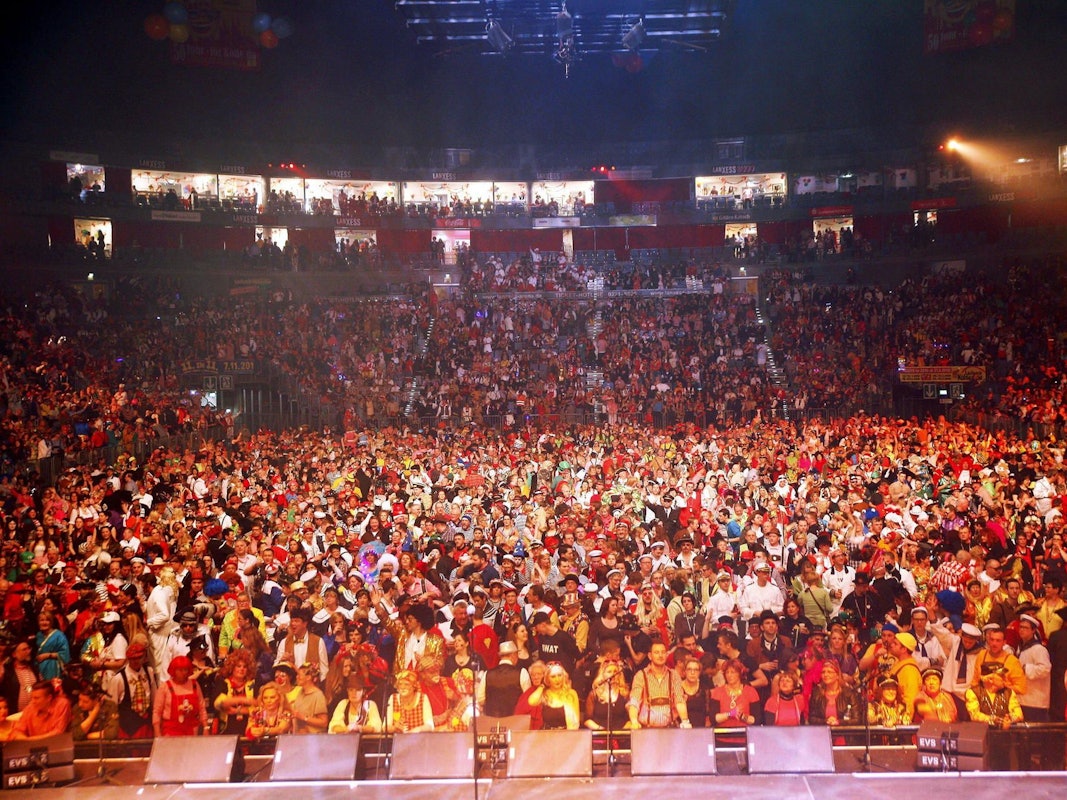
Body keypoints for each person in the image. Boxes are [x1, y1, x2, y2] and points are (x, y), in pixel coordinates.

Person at [628, 639, 692, 729]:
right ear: (650, 656)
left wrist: (685, 721)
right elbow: (634, 702)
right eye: (657, 652)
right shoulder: (641, 675)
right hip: (647, 729)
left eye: (663, 652)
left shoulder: (674, 675)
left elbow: (680, 701)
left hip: (670, 729)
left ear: (666, 655)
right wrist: (634, 721)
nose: (660, 655)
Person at [110, 640, 155, 739]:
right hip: (128, 728)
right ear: (128, 659)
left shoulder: (149, 672)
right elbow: (112, 705)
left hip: (147, 725)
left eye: (139, 658)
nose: (136, 661)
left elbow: (154, 698)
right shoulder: (118, 678)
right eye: (132, 658)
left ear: (144, 657)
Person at [154, 654, 207, 736]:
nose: (184, 673)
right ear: (173, 670)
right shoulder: (165, 687)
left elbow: (202, 708)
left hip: (192, 731)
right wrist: (157, 733)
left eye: (185, 670)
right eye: (180, 670)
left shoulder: (195, 685)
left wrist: (206, 727)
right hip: (171, 732)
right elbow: (157, 712)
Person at [1015, 612, 1052, 721]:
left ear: (1033, 630)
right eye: (1021, 627)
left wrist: (1025, 668)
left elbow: (1045, 669)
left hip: (1036, 700)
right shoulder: (1020, 647)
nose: (1022, 630)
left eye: (1025, 628)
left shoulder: (1039, 649)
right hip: (1022, 698)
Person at [966, 662, 1023, 731]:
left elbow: (1018, 714)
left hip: (1004, 734)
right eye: (1002, 676)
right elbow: (975, 715)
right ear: (990, 680)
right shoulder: (973, 693)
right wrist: (995, 720)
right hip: (980, 733)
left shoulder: (1009, 693)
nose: (1005, 679)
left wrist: (1010, 719)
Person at [480, 641, 530, 717]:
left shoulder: (487, 673)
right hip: (516, 720)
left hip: (493, 720)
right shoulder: (522, 672)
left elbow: (480, 699)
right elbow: (527, 699)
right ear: (513, 655)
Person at [213, 649, 257, 736]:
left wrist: (237, 710)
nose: (242, 669)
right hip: (226, 730)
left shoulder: (253, 684)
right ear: (232, 667)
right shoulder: (223, 683)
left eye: (245, 667)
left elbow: (258, 705)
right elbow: (219, 703)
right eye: (238, 666)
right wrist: (243, 700)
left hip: (249, 730)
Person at [526, 661, 580, 730]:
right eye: (553, 677)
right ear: (547, 679)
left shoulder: (571, 693)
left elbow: (576, 722)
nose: (557, 679)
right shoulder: (545, 693)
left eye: (559, 675)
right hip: (547, 733)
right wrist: (542, 685)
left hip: (566, 733)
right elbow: (531, 702)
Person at [584, 651, 629, 730]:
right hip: (600, 733)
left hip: (621, 733)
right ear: (603, 674)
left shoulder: (624, 693)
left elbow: (629, 719)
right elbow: (587, 720)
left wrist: (621, 731)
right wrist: (600, 729)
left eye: (615, 671)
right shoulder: (594, 694)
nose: (613, 674)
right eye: (609, 672)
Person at [808, 660, 862, 726]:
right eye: (823, 672)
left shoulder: (849, 693)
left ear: (837, 675)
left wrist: (839, 722)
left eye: (829, 672)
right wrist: (826, 721)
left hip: (843, 731)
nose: (825, 675)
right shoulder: (817, 694)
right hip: (823, 731)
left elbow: (857, 720)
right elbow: (812, 719)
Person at [709, 658, 761, 726]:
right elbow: (713, 718)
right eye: (727, 672)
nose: (729, 675)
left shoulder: (751, 692)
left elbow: (756, 720)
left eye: (733, 672)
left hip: (744, 731)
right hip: (723, 731)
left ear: (740, 673)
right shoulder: (718, 692)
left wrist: (742, 716)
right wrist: (730, 714)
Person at [291, 662, 329, 734]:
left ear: (308, 677)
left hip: (314, 738)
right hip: (299, 736)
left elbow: (324, 722)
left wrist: (303, 717)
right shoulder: (300, 692)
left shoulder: (318, 695)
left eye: (299, 675)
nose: (296, 677)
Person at [35, 611, 70, 681]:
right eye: (42, 620)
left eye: (47, 620)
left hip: (53, 668)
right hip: (40, 668)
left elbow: (65, 654)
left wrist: (47, 655)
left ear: (51, 622)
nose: (44, 623)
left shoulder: (59, 635)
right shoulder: (38, 635)